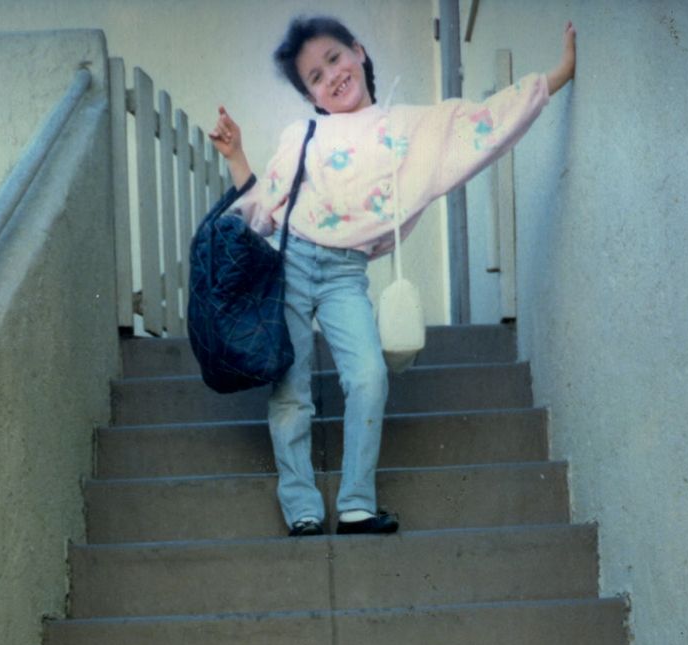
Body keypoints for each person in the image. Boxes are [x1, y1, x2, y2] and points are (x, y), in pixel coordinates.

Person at [209, 16, 576, 537]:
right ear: (311, 96)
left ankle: (356, 503)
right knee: (290, 390)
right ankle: (302, 505)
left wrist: (556, 75)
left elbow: (478, 124)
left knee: (368, 376)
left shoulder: (406, 126)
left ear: (358, 52)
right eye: (315, 76)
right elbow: (262, 211)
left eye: (334, 58)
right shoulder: (305, 134)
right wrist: (237, 156)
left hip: (345, 274)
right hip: (292, 266)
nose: (330, 76)